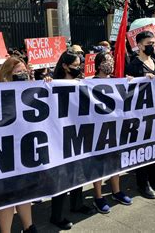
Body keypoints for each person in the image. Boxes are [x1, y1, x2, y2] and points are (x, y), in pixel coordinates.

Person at [50, 51, 94, 230]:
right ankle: (57, 215)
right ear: (65, 66)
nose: (79, 68)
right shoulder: (52, 84)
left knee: (79, 170)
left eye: (80, 65)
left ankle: (77, 203)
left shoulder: (82, 83)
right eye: (75, 66)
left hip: (79, 132)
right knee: (62, 175)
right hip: (60, 135)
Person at [126, 31, 155, 199]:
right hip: (140, 116)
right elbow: (129, 89)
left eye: (153, 42)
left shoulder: (154, 61)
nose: (152, 45)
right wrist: (143, 79)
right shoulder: (133, 65)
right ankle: (143, 183)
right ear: (139, 45)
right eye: (148, 43)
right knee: (142, 150)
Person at [0, 56, 37, 233]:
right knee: (7, 195)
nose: (23, 75)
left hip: (23, 146)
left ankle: (29, 227)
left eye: (24, 72)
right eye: (19, 72)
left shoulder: (29, 88)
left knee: (23, 191)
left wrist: (40, 81)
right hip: (4, 149)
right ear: (7, 74)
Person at [92, 52, 133, 214]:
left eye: (111, 60)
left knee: (115, 161)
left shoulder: (117, 81)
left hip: (114, 128)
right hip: (96, 130)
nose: (110, 63)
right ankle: (98, 197)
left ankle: (116, 191)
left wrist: (130, 82)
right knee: (98, 163)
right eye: (106, 61)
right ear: (99, 64)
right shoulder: (89, 82)